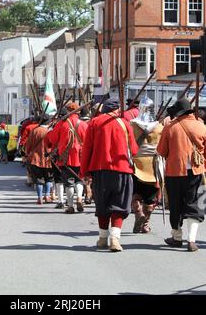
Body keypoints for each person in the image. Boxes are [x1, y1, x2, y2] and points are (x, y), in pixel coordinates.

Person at [81, 98, 139, 252]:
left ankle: (102, 238)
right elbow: (133, 150)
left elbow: (87, 149)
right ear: (117, 110)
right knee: (119, 205)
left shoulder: (94, 122)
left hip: (100, 170)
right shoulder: (125, 124)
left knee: (102, 204)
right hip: (122, 169)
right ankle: (115, 238)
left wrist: (85, 172)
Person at [157, 98, 206, 252]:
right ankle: (191, 240)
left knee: (175, 205)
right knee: (195, 205)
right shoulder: (201, 126)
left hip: (174, 172)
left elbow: (161, 151)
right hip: (196, 172)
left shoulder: (170, 127)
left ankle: (177, 237)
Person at [46, 102, 88, 213]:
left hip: (66, 157)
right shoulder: (84, 124)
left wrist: (50, 131)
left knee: (69, 183)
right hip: (81, 157)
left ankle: (70, 206)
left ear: (68, 111)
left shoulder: (61, 124)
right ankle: (79, 197)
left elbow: (53, 140)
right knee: (79, 180)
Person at [130, 97, 163, 233]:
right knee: (150, 199)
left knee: (135, 195)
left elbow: (128, 144)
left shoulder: (132, 125)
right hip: (153, 165)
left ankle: (139, 215)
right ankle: (145, 224)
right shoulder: (160, 127)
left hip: (136, 164)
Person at [25, 115, 53, 204]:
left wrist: (27, 153)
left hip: (35, 159)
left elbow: (28, 146)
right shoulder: (50, 131)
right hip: (48, 159)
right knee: (49, 179)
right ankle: (47, 195)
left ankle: (40, 198)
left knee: (38, 180)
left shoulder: (35, 131)